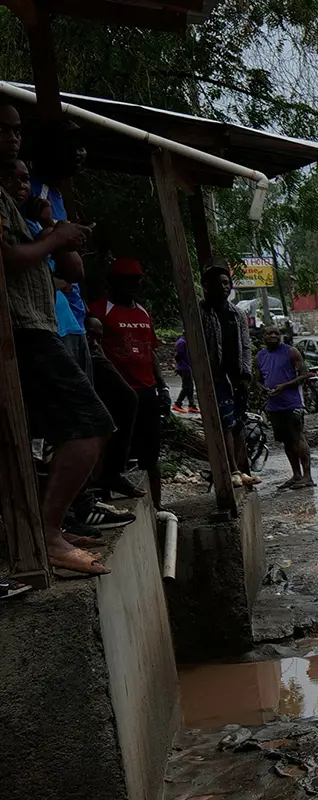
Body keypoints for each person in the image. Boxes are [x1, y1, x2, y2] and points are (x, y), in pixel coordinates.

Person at [0, 105, 108, 576]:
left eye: (16, 131)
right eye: (3, 131)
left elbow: (71, 271)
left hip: (41, 329)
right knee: (89, 423)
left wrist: (54, 233)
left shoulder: (22, 212)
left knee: (47, 435)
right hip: (22, 332)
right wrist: (51, 238)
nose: (13, 139)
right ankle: (46, 534)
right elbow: (9, 257)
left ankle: (46, 530)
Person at [96, 258, 164, 486]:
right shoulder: (98, 310)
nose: (132, 286)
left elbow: (150, 349)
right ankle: (108, 492)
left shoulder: (143, 312)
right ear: (114, 282)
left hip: (146, 389)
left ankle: (157, 507)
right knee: (115, 446)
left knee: (151, 451)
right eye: (126, 281)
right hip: (116, 392)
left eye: (136, 281)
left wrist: (162, 385)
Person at [201, 266, 256, 488]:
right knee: (225, 422)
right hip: (216, 376)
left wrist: (246, 373)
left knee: (239, 424)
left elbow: (245, 344)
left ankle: (243, 470)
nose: (224, 288)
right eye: (219, 284)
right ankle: (232, 469)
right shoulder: (201, 313)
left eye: (227, 283)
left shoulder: (237, 314)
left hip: (236, 375)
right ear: (207, 287)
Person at [256, 328, 314, 489]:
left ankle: (307, 476)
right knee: (286, 441)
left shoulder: (291, 352)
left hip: (292, 403)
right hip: (274, 406)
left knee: (298, 437)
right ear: (264, 337)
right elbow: (259, 380)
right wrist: (262, 388)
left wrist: (284, 386)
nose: (274, 336)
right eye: (270, 334)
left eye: (276, 333)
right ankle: (296, 475)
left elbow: (304, 375)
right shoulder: (260, 356)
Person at [171, 333, 194, 413]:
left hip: (186, 366)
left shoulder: (184, 341)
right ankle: (177, 404)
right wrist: (180, 365)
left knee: (190, 386)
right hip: (184, 367)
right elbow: (177, 355)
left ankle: (192, 405)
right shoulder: (182, 342)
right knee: (187, 387)